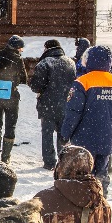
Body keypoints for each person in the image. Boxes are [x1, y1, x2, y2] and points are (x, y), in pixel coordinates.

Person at [61, 45, 112, 194]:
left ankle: (84, 203)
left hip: (85, 137)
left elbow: (73, 112)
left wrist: (65, 133)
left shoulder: (82, 82)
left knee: (83, 173)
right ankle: (100, 202)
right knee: (101, 173)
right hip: (107, 137)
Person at [29, 39, 77, 170]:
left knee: (47, 134)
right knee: (64, 135)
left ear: (46, 48)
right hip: (66, 104)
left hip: (47, 104)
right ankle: (64, 161)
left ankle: (49, 162)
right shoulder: (71, 62)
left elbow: (36, 86)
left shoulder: (44, 63)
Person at [0, 35, 28, 163]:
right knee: (10, 125)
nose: (21, 50)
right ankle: (5, 157)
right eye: (20, 48)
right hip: (11, 95)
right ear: (16, 47)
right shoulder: (17, 59)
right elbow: (24, 78)